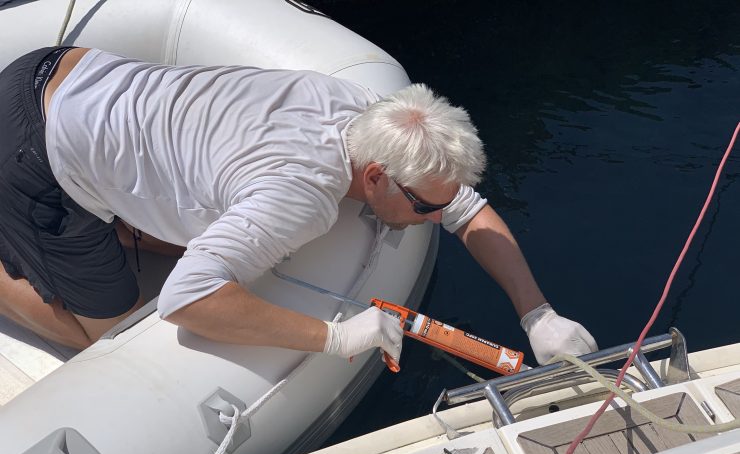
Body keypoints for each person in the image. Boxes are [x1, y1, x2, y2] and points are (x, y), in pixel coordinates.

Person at [0, 46, 597, 365]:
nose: (434, 219)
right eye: (423, 208)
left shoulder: (360, 108)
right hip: (32, 145)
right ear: (375, 177)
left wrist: (537, 314)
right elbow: (184, 300)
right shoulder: (302, 197)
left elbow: (467, 211)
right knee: (101, 328)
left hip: (69, 67)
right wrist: (333, 339)